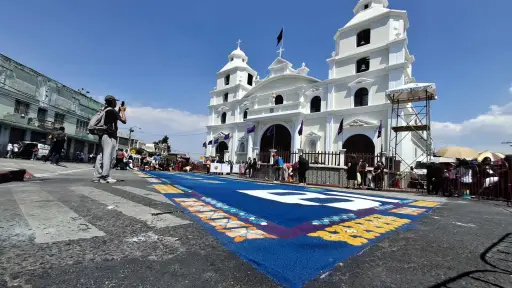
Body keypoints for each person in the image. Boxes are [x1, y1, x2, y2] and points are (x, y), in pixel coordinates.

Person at [93, 95, 127, 183]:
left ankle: (97, 176)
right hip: (109, 136)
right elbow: (124, 121)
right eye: (115, 101)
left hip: (102, 135)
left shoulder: (105, 109)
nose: (116, 103)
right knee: (109, 156)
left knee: (100, 156)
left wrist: (119, 111)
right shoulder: (111, 110)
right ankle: (105, 176)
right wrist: (123, 111)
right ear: (112, 101)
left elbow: (114, 119)